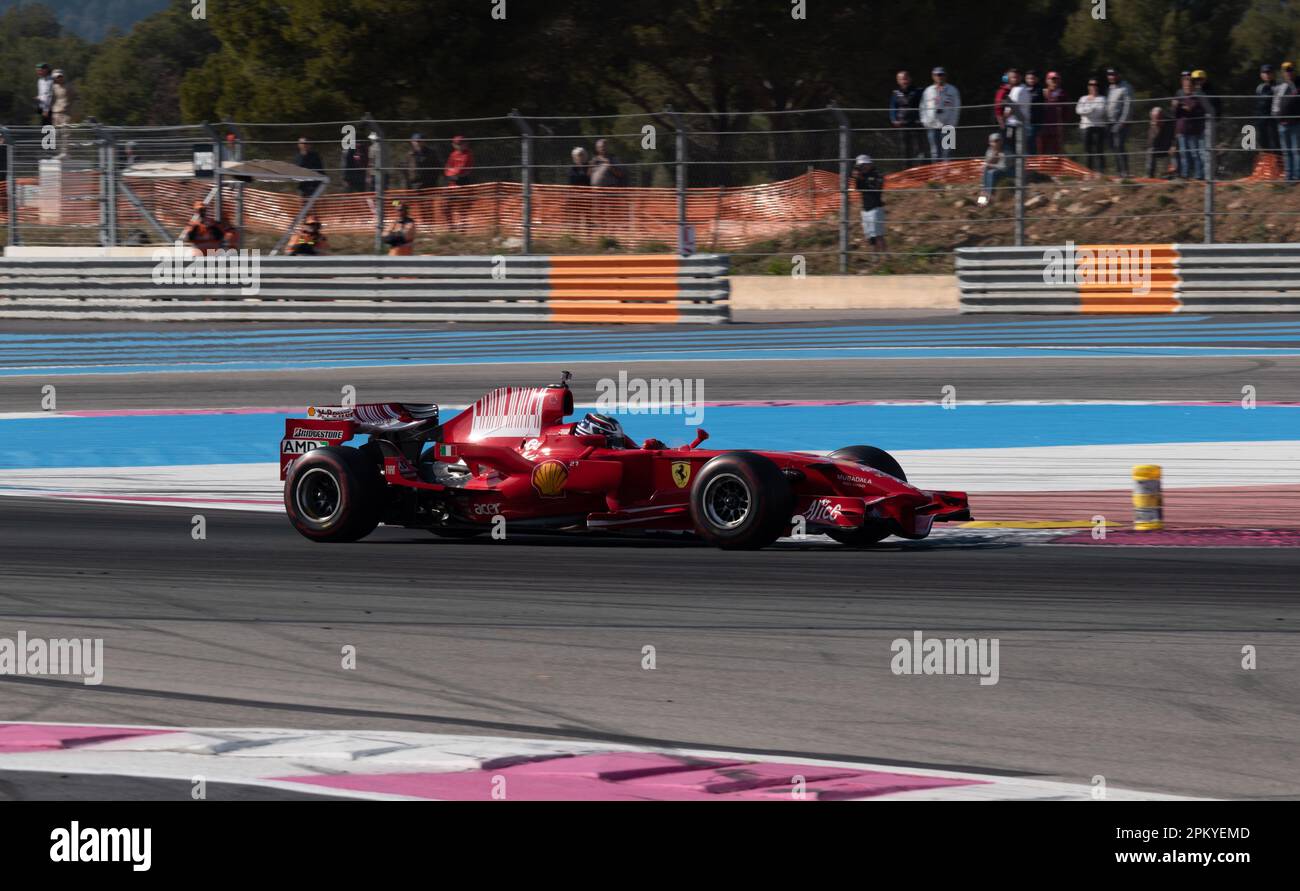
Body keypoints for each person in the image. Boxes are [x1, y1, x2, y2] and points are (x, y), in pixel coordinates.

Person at [920, 66, 961, 161]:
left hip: (948, 126)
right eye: (937, 75)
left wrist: (952, 123)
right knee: (934, 153)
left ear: (945, 76)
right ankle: (937, 175)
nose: (939, 77)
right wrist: (925, 122)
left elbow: (957, 108)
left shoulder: (952, 90)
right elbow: (922, 107)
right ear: (933, 76)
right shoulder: (928, 91)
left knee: (947, 152)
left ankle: (947, 175)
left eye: (941, 74)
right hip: (932, 126)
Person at [1174, 73, 1207, 180]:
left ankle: (1199, 175)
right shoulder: (1179, 95)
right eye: (1185, 85)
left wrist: (1179, 105)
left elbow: (1189, 109)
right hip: (1181, 129)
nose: (1186, 87)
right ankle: (1185, 174)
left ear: (1192, 86)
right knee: (1183, 154)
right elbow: (1175, 111)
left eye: (1188, 85)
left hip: (1192, 130)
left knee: (1194, 154)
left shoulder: (1196, 97)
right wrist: (1179, 106)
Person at [852, 154, 886, 253]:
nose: (862, 167)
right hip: (865, 209)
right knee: (870, 236)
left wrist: (863, 179)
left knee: (878, 235)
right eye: (860, 166)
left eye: (863, 165)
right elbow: (858, 189)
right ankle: (875, 257)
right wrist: (857, 178)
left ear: (869, 163)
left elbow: (876, 189)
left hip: (876, 208)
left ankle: (886, 257)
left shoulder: (877, 174)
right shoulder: (862, 175)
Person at [889, 70, 924, 163]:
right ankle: (907, 172)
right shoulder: (895, 93)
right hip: (903, 124)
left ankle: (921, 170)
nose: (904, 81)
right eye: (901, 79)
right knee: (905, 150)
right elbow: (893, 107)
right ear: (898, 81)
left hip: (916, 123)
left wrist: (922, 119)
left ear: (910, 79)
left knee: (919, 148)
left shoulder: (918, 91)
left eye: (905, 78)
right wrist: (894, 119)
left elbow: (924, 105)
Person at [1104, 67, 1132, 177]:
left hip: (1121, 122)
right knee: (1113, 146)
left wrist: (1122, 123)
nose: (1111, 77)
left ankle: (1125, 172)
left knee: (1119, 145)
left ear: (1118, 75)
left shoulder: (1125, 87)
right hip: (1110, 122)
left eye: (1113, 74)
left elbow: (1128, 106)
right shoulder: (1110, 88)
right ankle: (1120, 171)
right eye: (1109, 75)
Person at [1076, 78, 1107, 173]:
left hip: (1099, 126)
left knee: (1099, 149)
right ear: (1088, 86)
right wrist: (1091, 109)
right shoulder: (1083, 98)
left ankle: (1101, 172)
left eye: (1095, 84)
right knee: (1087, 150)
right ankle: (1088, 171)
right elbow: (1078, 110)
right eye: (1091, 84)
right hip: (1085, 127)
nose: (1093, 86)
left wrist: (1086, 111)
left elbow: (1100, 112)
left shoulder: (1102, 98)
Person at [1275, 62, 1300, 181]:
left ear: (1294, 71)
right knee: (1286, 152)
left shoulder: (1299, 83)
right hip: (1282, 124)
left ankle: (1297, 176)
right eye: (1286, 70)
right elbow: (1276, 101)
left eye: (1290, 70)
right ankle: (1288, 176)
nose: (1288, 72)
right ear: (1283, 73)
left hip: (1296, 123)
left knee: (1296, 151)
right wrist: (1275, 115)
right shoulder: (1281, 85)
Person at [1040, 71, 1070, 155]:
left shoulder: (1062, 94)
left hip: (1057, 127)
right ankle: (1042, 167)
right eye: (1052, 79)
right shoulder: (1042, 92)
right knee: (1042, 149)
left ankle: (1056, 167)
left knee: (1057, 150)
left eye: (1056, 79)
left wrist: (1064, 124)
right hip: (1043, 126)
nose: (1054, 81)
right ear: (1047, 80)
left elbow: (1066, 111)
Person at [977, 133, 1009, 205]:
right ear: (990, 142)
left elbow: (1004, 167)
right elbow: (987, 163)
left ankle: (990, 196)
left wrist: (990, 165)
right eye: (994, 141)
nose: (996, 143)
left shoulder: (1006, 151)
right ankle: (983, 196)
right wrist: (994, 156)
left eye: (998, 140)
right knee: (986, 170)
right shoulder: (989, 151)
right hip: (997, 170)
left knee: (992, 173)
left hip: (1009, 171)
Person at [1256, 64, 1279, 158]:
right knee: (1264, 145)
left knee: (1276, 145)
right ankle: (1267, 168)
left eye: (1269, 72)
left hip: (1273, 121)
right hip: (1261, 121)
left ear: (1273, 74)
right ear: (1261, 75)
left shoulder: (1278, 87)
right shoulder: (1259, 88)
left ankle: (1279, 168)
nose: (1267, 74)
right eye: (1265, 72)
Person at [1145, 107, 1175, 179]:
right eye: (1152, 117)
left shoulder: (1170, 123)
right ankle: (1150, 175)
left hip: (1169, 147)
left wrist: (1173, 145)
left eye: (1155, 117)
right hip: (1159, 147)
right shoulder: (1155, 124)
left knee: (1174, 152)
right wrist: (1154, 127)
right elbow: (1151, 142)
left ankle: (1170, 174)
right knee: (1150, 151)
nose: (1154, 119)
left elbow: (1175, 135)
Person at [51, 69, 72, 155]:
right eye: (57, 77)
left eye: (60, 76)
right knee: (56, 133)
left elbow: (76, 98)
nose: (59, 78)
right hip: (56, 112)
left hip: (66, 113)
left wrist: (70, 107)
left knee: (65, 133)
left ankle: (64, 153)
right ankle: (57, 152)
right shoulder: (53, 87)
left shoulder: (69, 86)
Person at [1023, 70, 1044, 154]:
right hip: (1024, 119)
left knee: (1030, 140)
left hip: (1035, 120)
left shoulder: (1039, 90)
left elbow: (1032, 100)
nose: (1031, 80)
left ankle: (1032, 159)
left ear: (1036, 79)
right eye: (1028, 78)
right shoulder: (1023, 88)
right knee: (1025, 141)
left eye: (1033, 78)